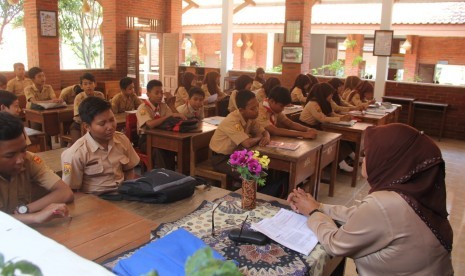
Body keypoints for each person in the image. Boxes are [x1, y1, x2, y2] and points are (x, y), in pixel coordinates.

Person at [288, 123, 453, 275]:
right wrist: (319, 205)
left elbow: (335, 245)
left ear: (388, 160)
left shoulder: (386, 203)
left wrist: (313, 212)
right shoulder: (410, 191)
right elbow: (360, 214)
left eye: (368, 154)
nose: (363, 160)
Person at [0, 112, 73, 224]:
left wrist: (25, 210)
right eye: (10, 155)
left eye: (23, 150)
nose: (20, 160)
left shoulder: (29, 160)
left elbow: (65, 192)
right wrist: (34, 217)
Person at [61, 97, 140, 195]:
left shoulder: (122, 139)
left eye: (112, 120)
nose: (110, 127)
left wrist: (129, 189)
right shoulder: (74, 154)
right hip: (96, 201)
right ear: (87, 126)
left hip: (123, 194)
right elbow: (70, 190)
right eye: (102, 123)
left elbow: (129, 168)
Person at [210, 89, 270, 181]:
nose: (257, 111)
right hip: (221, 159)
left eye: (257, 106)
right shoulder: (232, 120)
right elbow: (247, 143)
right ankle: (246, 193)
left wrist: (266, 137)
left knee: (265, 167)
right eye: (253, 109)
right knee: (253, 175)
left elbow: (263, 131)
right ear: (241, 110)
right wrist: (259, 137)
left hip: (237, 156)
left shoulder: (250, 117)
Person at [300, 83, 355, 172]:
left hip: (318, 126)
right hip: (307, 128)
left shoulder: (324, 102)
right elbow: (323, 119)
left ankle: (352, 155)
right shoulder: (313, 104)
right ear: (324, 94)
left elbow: (331, 114)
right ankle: (341, 163)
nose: (331, 96)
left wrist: (343, 118)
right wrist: (340, 119)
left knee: (339, 136)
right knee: (333, 139)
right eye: (330, 94)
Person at [136, 80, 185, 170]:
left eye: (161, 92)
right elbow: (150, 124)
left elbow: (176, 118)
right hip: (146, 139)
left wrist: (171, 105)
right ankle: (162, 177)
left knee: (172, 148)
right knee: (159, 150)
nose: (160, 95)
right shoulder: (143, 108)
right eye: (157, 93)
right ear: (148, 94)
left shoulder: (163, 106)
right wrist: (167, 116)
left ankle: (172, 174)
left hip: (161, 137)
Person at [69, 73, 105, 144]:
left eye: (90, 83)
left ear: (95, 84)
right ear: (81, 86)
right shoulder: (79, 97)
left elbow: (104, 111)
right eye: (85, 84)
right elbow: (78, 115)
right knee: (78, 144)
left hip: (97, 123)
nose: (88, 86)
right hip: (78, 125)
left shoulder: (99, 95)